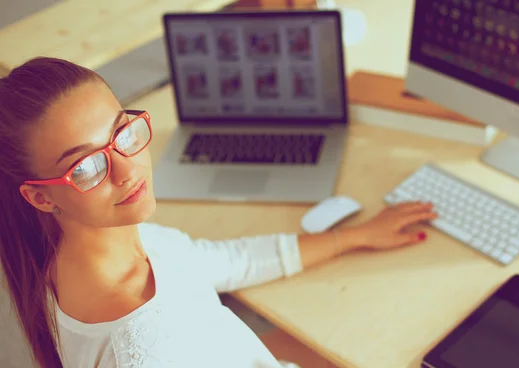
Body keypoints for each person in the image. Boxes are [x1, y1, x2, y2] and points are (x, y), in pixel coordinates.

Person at [0, 57, 437, 368]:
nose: (127, 169)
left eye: (123, 133)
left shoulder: (101, 248)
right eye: (87, 165)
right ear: (41, 197)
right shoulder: (147, 349)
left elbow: (218, 261)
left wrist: (352, 237)